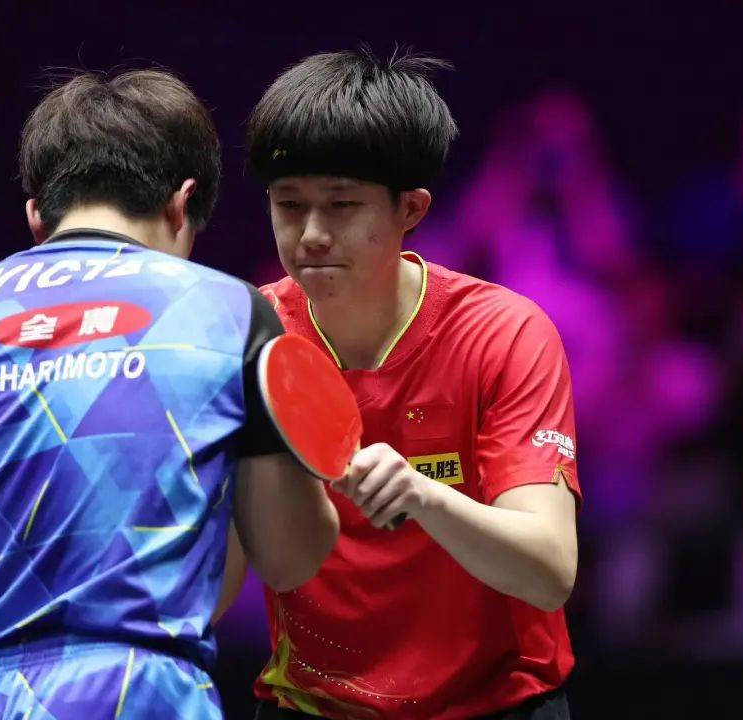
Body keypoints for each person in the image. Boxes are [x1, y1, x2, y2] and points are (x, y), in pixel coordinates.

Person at [0, 69, 338, 720]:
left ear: (37, 216)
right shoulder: (234, 313)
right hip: (151, 698)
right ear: (183, 204)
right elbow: (289, 558)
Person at [242, 50, 581, 719]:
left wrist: (424, 497)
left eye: (342, 205)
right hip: (311, 705)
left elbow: (549, 572)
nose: (312, 235)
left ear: (411, 209)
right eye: (289, 205)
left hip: (495, 705)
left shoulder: (502, 335)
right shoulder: (250, 334)